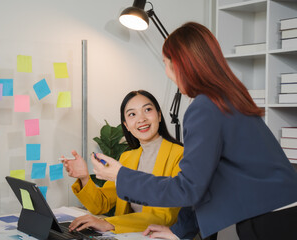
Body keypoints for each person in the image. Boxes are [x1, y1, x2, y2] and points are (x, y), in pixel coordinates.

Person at [91, 22, 297, 240]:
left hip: (269, 219)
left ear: (179, 64)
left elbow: (187, 188)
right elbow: (204, 183)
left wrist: (121, 175)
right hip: (280, 211)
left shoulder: (204, 107)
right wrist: (179, 231)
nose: (168, 73)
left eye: (166, 64)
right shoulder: (228, 98)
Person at [61, 90, 186, 235]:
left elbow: (165, 216)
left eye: (147, 110)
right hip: (129, 235)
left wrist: (109, 224)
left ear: (159, 115)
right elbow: (101, 203)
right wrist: (84, 178)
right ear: (126, 125)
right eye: (132, 114)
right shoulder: (126, 158)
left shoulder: (181, 155)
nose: (141, 119)